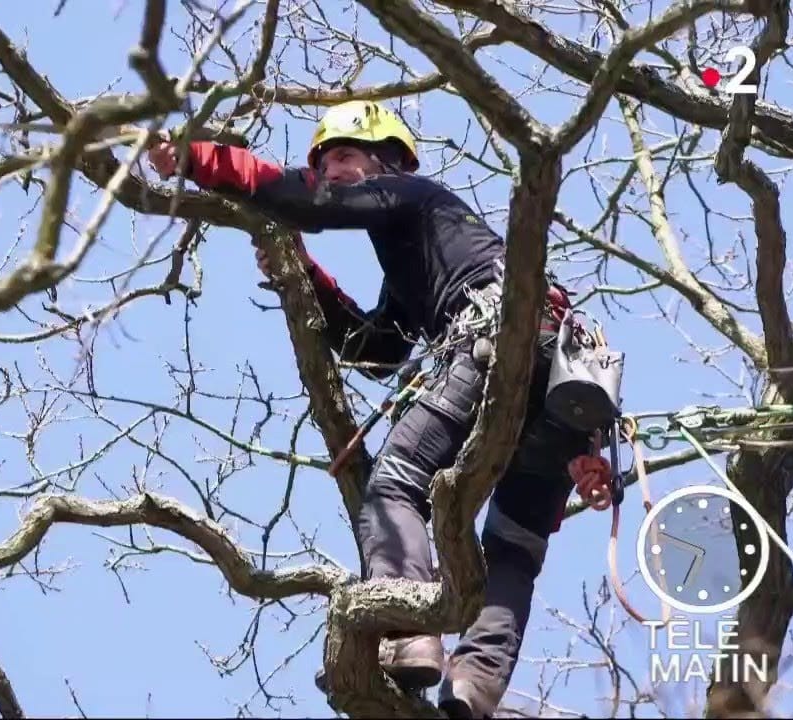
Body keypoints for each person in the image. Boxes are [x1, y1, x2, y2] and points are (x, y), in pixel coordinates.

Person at [147, 100, 593, 719]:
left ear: (386, 160)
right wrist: (303, 274)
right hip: (562, 384)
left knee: (396, 482)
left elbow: (307, 200)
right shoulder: (422, 253)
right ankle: (474, 690)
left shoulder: (412, 194)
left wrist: (200, 159)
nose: (330, 171)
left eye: (344, 156)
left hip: (504, 341)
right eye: (324, 161)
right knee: (515, 546)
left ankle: (410, 629)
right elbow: (379, 349)